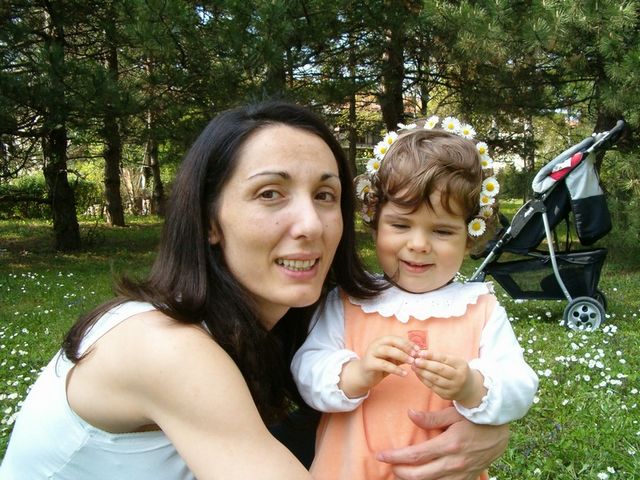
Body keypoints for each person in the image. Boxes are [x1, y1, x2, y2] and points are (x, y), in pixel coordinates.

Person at [0, 103, 510, 480]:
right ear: (209, 221)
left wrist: (484, 421)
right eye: (270, 193)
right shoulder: (161, 345)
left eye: (325, 195)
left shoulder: (296, 321)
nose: (310, 224)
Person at [291, 119, 539, 480]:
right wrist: (357, 373)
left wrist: (473, 386)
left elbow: (520, 385)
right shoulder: (350, 300)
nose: (419, 244)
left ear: (469, 237)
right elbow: (307, 370)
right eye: (401, 225)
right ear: (374, 222)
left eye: (442, 231)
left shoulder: (479, 309)